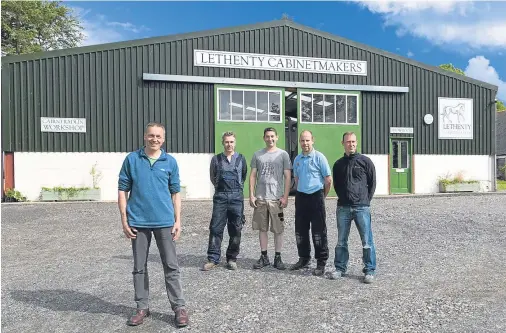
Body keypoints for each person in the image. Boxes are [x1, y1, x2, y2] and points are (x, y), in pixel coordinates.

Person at [118, 122, 189, 327]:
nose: (155, 139)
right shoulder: (132, 160)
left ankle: (179, 307)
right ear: (144, 137)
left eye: (158, 136)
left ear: (163, 139)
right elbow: (122, 190)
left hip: (164, 222)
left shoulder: (170, 162)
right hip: (138, 222)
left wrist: (178, 220)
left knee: (171, 265)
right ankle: (142, 307)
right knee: (139, 267)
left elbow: (176, 193)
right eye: (151, 136)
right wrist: (124, 219)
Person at [330, 131, 377, 284]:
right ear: (342, 143)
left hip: (361, 207)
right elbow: (336, 185)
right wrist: (345, 198)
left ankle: (369, 270)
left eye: (353, 142)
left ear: (356, 143)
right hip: (343, 207)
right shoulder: (338, 165)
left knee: (367, 241)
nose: (351, 144)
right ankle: (340, 268)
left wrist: (365, 200)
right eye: (348, 142)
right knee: (341, 241)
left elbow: (372, 183)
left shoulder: (365, 162)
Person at [201, 131, 247, 271]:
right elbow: (213, 177)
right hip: (220, 196)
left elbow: (243, 176)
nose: (229, 144)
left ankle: (232, 258)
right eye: (226, 142)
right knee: (216, 228)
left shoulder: (241, 159)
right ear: (223, 143)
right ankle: (213, 258)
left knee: (236, 229)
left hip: (236, 198)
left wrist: (235, 191)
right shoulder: (216, 159)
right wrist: (221, 190)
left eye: (231, 142)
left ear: (235, 143)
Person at [290, 130, 332, 276]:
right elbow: (296, 179)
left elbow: (328, 180)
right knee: (300, 230)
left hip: (316, 196)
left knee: (318, 231)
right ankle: (304, 258)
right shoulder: (297, 159)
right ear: (300, 142)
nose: (305, 143)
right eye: (302, 140)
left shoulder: (320, 158)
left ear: (312, 140)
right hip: (301, 197)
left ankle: (321, 261)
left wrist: (322, 196)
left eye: (307, 140)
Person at [249, 127, 291, 270]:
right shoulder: (257, 155)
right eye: (267, 136)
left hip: (276, 199)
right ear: (264, 138)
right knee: (262, 228)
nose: (270, 139)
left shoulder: (283, 155)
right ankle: (264, 256)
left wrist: (285, 196)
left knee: (278, 229)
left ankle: (278, 257)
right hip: (261, 198)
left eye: (272, 136)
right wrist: (251, 195)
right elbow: (253, 175)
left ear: (277, 137)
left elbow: (287, 176)